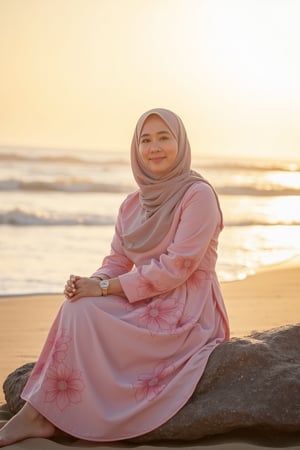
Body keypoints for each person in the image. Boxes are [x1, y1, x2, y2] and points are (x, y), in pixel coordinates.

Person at [0, 108, 230, 446]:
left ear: (180, 143)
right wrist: (90, 283)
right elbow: (118, 259)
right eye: (145, 140)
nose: (154, 147)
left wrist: (105, 288)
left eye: (164, 137)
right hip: (144, 299)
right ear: (136, 149)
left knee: (86, 309)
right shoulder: (131, 205)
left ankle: (41, 414)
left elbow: (176, 268)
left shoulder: (199, 195)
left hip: (186, 312)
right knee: (77, 307)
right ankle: (39, 415)